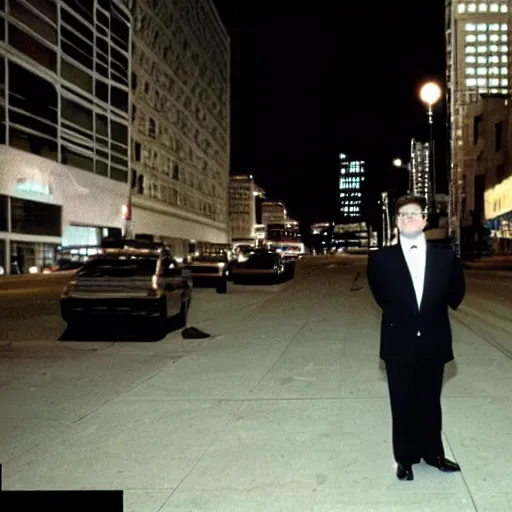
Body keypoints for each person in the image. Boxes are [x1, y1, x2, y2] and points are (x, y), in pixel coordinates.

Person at [366, 195, 465, 481]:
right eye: (403, 214)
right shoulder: (380, 259)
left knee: (430, 400)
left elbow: (456, 293)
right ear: (396, 222)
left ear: (425, 220)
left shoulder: (445, 258)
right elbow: (381, 296)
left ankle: (433, 453)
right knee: (402, 401)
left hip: (434, 340)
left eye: (415, 213)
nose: (409, 218)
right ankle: (405, 459)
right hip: (399, 342)